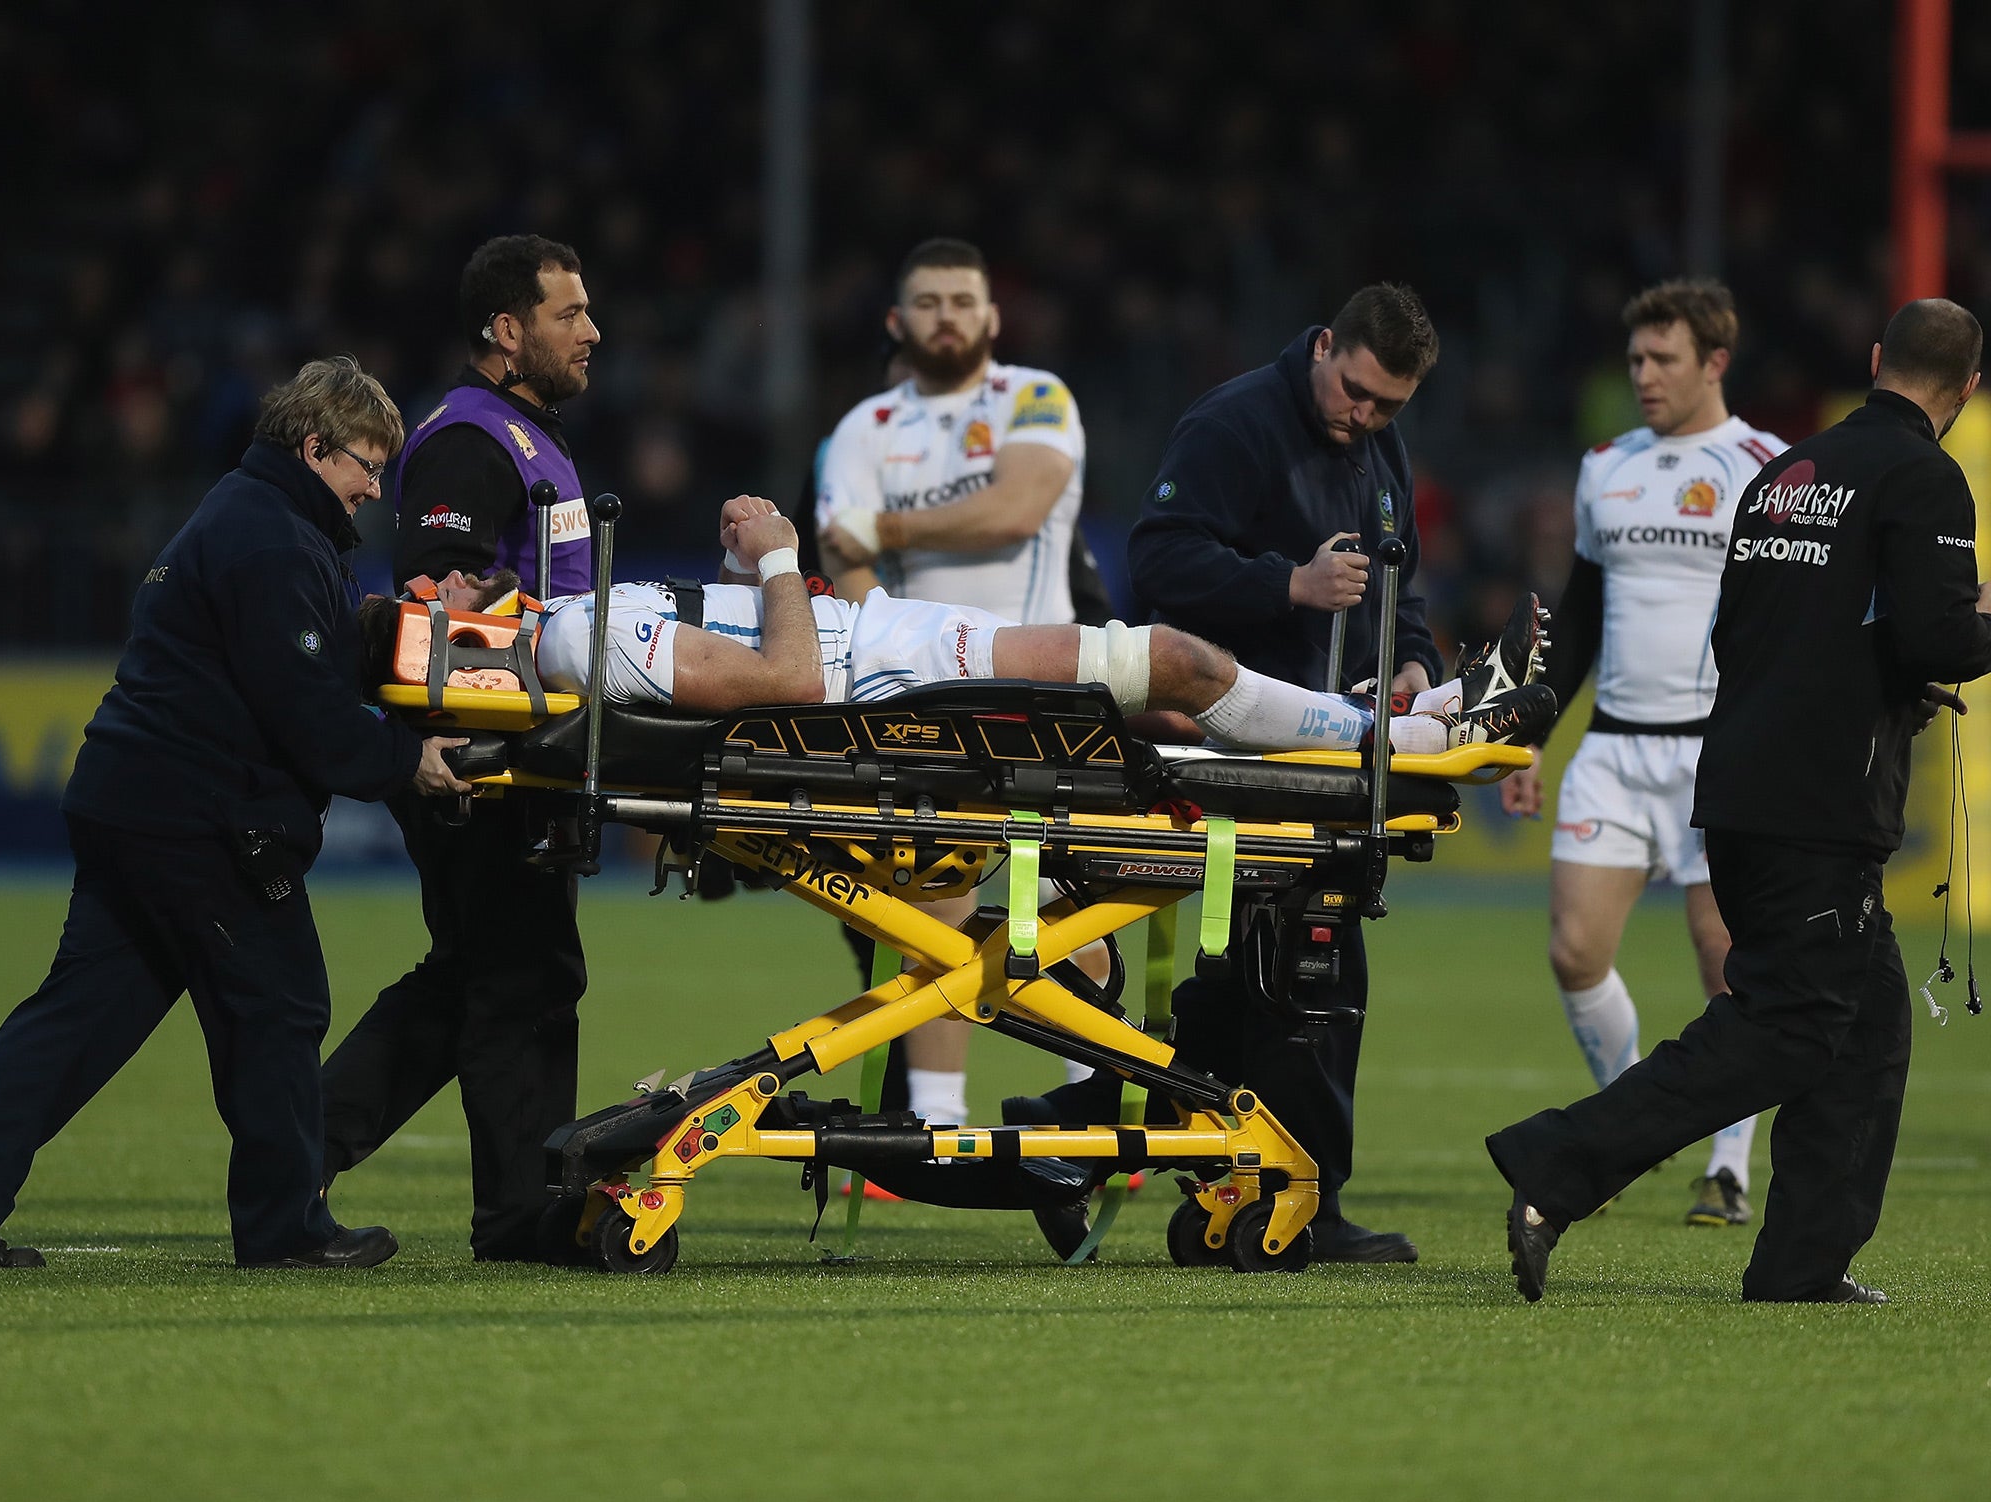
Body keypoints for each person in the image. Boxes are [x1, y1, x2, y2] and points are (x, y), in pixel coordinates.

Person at [1489, 298, 1991, 1306]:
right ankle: (1558, 1161)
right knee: (1785, 1026)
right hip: (1818, 801)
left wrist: (1876, 670)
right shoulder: (1922, 479)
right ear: (1965, 388)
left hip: (1737, 780)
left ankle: (1800, 1264)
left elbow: (1751, 632)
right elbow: (1942, 637)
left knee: (1866, 1028)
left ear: (1874, 358)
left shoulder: (1782, 475)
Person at [0, 357, 469, 1271]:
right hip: (199, 816)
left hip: (132, 799)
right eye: (365, 466)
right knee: (279, 1001)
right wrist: (405, 760)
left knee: (80, 1015)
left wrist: (381, 629)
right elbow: (305, 713)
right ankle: (285, 1231)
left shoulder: (251, 515)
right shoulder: (271, 539)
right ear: (314, 448)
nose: (374, 489)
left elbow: (290, 658)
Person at [1110, 283, 1448, 1263]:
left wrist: (1413, 658)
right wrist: (1283, 585)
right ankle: (1295, 1198)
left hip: (1327, 751)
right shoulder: (1233, 422)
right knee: (1301, 967)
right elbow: (1157, 560)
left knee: (1272, 970)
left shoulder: (1375, 441)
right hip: (1233, 745)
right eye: (1354, 394)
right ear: (1321, 349)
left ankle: (1234, 1178)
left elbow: (1399, 578)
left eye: (1388, 406)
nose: (1365, 418)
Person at [390, 498, 1555, 757]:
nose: (444, 582)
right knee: (1173, 661)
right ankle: (1413, 743)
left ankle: (1403, 718)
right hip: (876, 674)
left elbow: (739, 652)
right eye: (426, 599)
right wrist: (783, 551)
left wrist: (744, 580)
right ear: (443, 642)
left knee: (1154, 700)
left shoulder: (567, 626)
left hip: (881, 642)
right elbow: (790, 683)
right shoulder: (569, 640)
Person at [319, 235, 602, 1263]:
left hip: (520, 750)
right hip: (484, 758)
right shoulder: (469, 441)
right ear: (505, 329)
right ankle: (520, 1219)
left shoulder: (525, 436)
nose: (591, 332)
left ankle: (300, 1145)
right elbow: (436, 605)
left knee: (480, 974)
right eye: (568, 314)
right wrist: (452, 753)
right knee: (522, 975)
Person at [1498, 279, 1788, 1226]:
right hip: (1616, 751)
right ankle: (1628, 1127)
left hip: (1721, 754)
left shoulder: (1768, 468)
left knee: (1728, 965)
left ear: (1715, 362)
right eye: (1635, 360)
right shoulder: (1605, 467)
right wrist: (1532, 735)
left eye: (1664, 359)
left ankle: (1731, 1167)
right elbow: (1579, 616)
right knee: (1575, 950)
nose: (1645, 377)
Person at [811, 238, 1091, 1132]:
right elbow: (837, 566)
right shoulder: (861, 431)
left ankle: (1091, 1108)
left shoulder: (1035, 397)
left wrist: (887, 525)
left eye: (963, 301)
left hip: (1045, 694)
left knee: (1074, 901)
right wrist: (890, 664)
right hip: (921, 702)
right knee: (938, 900)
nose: (946, 317)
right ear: (898, 321)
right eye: (927, 302)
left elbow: (1016, 508)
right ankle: (934, 1124)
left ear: (991, 318)